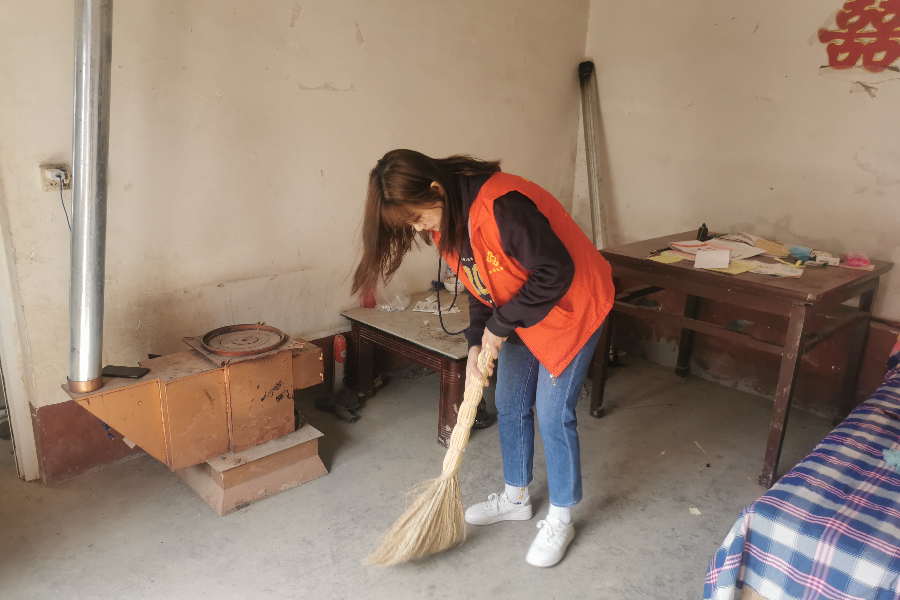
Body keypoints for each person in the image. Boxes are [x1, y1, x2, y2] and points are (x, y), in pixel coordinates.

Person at [352, 149, 614, 567]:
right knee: (509, 402)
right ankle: (516, 497)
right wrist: (477, 339)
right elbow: (479, 283)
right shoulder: (446, 223)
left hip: (571, 307)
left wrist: (500, 325)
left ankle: (561, 518)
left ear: (435, 189)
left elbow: (555, 270)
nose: (418, 228)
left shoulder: (502, 206)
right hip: (522, 310)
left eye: (417, 217)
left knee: (553, 415)